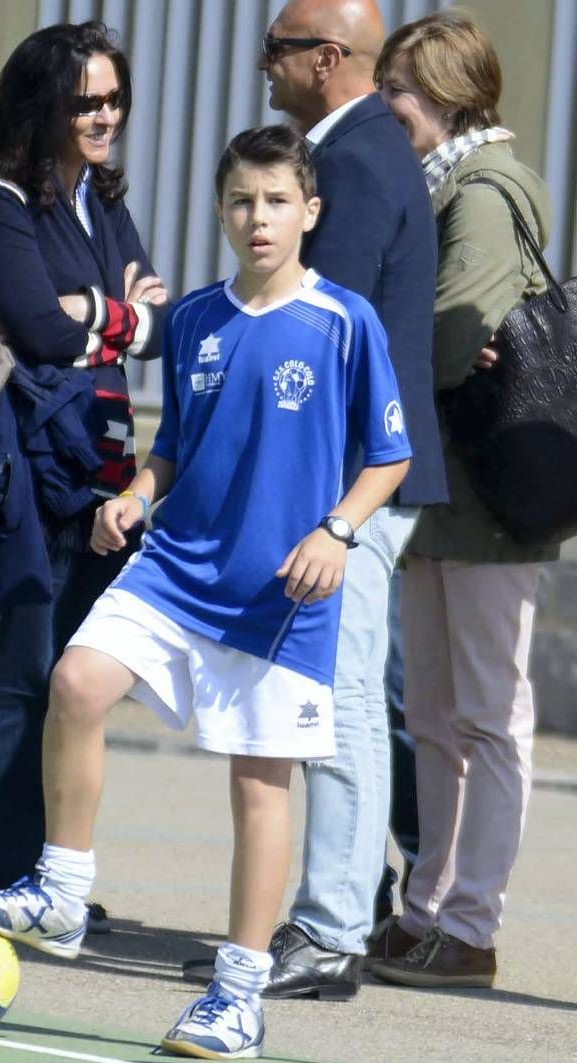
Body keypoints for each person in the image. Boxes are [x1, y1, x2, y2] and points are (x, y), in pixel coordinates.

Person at [0, 124, 412, 1060]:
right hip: (176, 568)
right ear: (220, 209)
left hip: (281, 589)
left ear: (309, 212)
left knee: (258, 785)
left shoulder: (344, 321)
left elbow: (390, 455)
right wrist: (135, 494)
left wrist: (337, 531)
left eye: (278, 201)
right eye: (243, 200)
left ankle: (238, 996)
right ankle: (63, 889)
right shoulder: (198, 319)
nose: (259, 218)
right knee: (76, 681)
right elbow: (174, 449)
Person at [180, 0, 445, 1001]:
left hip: (354, 487)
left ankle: (331, 928)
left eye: (278, 48)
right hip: (343, 485)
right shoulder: (359, 151)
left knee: (332, 702)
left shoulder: (360, 162)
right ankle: (326, 914)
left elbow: (320, 335)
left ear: (326, 58)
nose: (262, 63)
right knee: (328, 695)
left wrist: (326, 510)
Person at [0, 22, 167, 899]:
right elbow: (36, 331)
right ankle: (1, 870)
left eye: (113, 98)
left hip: (104, 473)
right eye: (86, 101)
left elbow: (159, 322)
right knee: (23, 670)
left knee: (79, 677)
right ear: (42, 105)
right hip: (25, 471)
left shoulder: (103, 201)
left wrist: (95, 313)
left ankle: (53, 871)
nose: (104, 114)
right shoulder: (4, 203)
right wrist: (108, 315)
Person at [369, 11, 557, 987]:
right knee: (435, 713)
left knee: (483, 712)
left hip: (487, 496)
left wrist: (396, 343)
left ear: (443, 93)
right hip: (445, 491)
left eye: (395, 89)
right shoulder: (445, 184)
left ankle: (469, 922)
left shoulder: (480, 193)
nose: (382, 104)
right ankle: (424, 908)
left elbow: (452, 337)